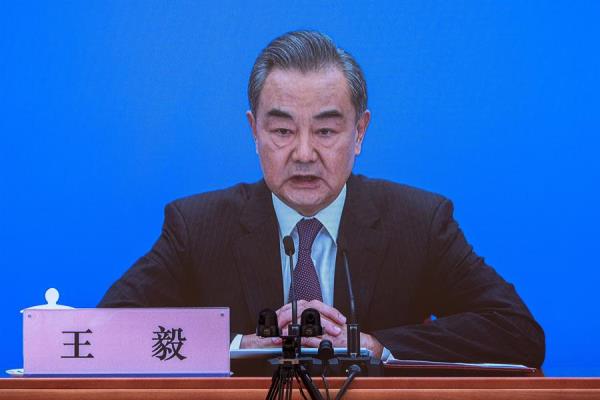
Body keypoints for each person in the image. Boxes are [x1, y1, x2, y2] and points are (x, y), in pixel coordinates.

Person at [99, 30, 545, 367]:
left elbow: (517, 333)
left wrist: (377, 346)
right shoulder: (197, 227)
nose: (305, 153)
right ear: (254, 132)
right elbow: (101, 336)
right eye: (282, 130)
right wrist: (240, 346)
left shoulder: (418, 222)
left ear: (360, 132)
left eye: (327, 130)